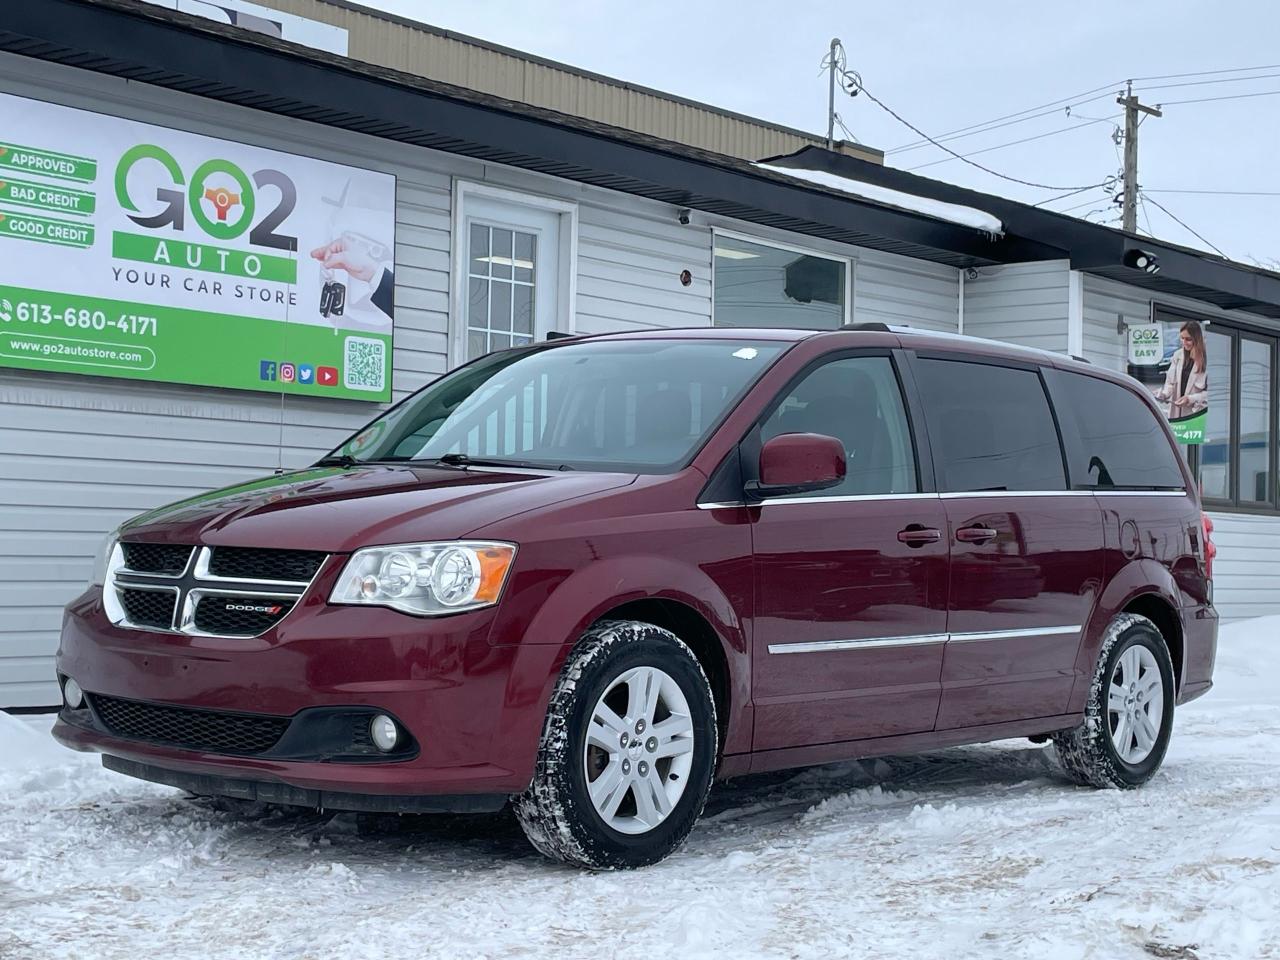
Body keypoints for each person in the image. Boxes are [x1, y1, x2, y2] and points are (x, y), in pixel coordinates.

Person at [1155, 320, 1208, 421]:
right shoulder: (1177, 355)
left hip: (1196, 415)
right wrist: (1163, 394)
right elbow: (1170, 382)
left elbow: (1210, 394)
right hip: (1176, 415)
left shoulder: (1206, 359)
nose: (1184, 343)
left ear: (1197, 339)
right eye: (1182, 338)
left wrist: (1190, 399)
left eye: (1188, 339)